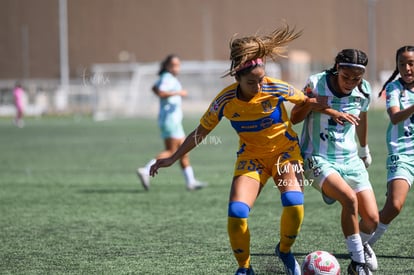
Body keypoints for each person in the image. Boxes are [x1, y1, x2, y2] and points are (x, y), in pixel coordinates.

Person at [150, 25, 327, 275]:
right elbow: (200, 133)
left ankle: (284, 251)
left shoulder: (277, 88)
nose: (258, 86)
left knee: (294, 202)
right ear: (237, 79)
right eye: (251, 82)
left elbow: (307, 102)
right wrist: (172, 158)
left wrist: (331, 109)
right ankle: (244, 268)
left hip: (285, 154)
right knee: (237, 212)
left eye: (261, 79)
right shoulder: (225, 101)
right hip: (251, 158)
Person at [290, 49, 379, 275]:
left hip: (349, 159)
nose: (350, 82)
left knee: (372, 219)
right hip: (317, 156)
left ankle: (359, 248)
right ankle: (359, 263)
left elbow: (362, 121)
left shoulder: (364, 90)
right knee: (349, 199)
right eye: (345, 76)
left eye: (355, 79)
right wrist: (313, 104)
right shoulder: (316, 83)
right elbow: (294, 117)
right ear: (337, 68)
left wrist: (364, 149)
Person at [136, 54, 206, 191]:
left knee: (184, 150)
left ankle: (190, 181)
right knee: (172, 151)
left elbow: (154, 88)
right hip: (170, 120)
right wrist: (178, 93)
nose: (177, 68)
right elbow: (161, 93)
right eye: (174, 65)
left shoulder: (166, 78)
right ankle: (146, 170)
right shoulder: (167, 78)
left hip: (171, 120)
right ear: (167, 66)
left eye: (178, 65)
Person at [367, 46, 414, 247]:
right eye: (402, 64)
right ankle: (363, 243)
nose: (407, 68)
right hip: (402, 153)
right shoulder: (395, 88)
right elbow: (395, 117)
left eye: (411, 63)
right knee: (394, 205)